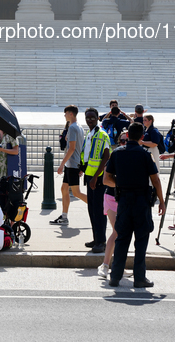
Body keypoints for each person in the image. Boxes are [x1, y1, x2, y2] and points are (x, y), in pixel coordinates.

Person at [104, 122, 165, 289]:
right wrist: (162, 201)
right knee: (141, 240)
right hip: (141, 202)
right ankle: (139, 278)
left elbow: (106, 179)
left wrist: (120, 184)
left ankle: (115, 276)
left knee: (122, 238)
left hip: (123, 201)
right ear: (142, 137)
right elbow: (155, 180)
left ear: (128, 135)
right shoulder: (145, 155)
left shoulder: (117, 153)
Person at [99, 131, 131, 279]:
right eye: (122, 140)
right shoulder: (115, 155)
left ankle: (118, 265)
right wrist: (122, 184)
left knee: (122, 233)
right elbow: (106, 180)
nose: (125, 143)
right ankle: (105, 265)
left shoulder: (134, 156)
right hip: (112, 197)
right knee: (117, 231)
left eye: (128, 140)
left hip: (126, 199)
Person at [51, 105, 87, 226]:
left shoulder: (72, 128)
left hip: (72, 164)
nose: (64, 115)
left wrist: (61, 164)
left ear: (71, 114)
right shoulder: (79, 127)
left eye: (65, 113)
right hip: (72, 164)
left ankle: (99, 207)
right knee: (64, 189)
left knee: (76, 192)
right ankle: (64, 216)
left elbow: (71, 149)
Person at [82, 108, 110, 253]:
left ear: (98, 118)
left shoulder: (102, 134)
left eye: (92, 117)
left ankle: (101, 241)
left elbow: (106, 156)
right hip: (90, 176)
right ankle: (96, 238)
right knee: (92, 209)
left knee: (99, 210)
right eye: (87, 117)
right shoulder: (90, 134)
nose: (90, 120)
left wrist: (95, 177)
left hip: (97, 178)